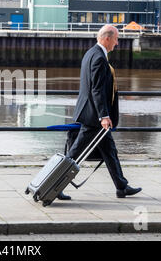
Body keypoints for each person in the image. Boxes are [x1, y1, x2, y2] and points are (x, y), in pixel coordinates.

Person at [57, 24, 142, 201]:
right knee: (75, 155)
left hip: (93, 115)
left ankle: (121, 186)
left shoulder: (91, 53)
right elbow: (96, 90)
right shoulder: (98, 58)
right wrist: (103, 116)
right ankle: (56, 186)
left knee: (110, 151)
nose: (117, 43)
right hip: (94, 118)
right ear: (107, 38)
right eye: (116, 39)